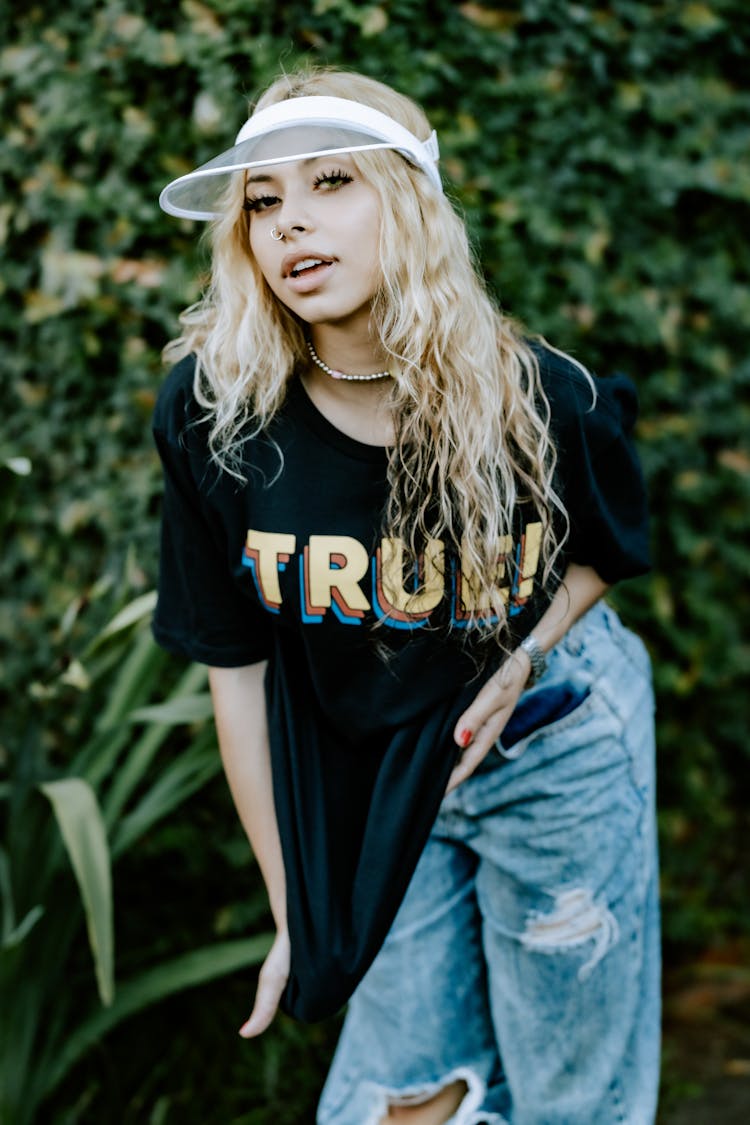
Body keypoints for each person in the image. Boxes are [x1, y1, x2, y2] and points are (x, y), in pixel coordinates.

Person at [152, 66, 660, 1125]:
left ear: (412, 204)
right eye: (264, 201)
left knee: (574, 1094)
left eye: (331, 182)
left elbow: (603, 554)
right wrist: (299, 906)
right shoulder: (217, 417)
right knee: (399, 1102)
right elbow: (237, 670)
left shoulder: (538, 397)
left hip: (555, 745)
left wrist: (524, 656)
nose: (292, 223)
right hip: (381, 776)